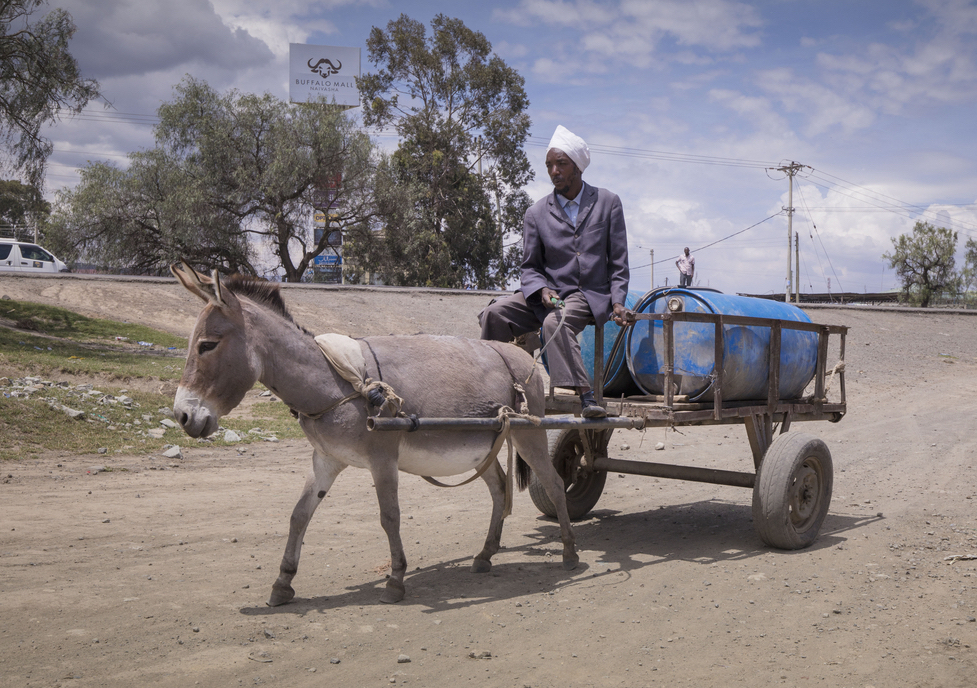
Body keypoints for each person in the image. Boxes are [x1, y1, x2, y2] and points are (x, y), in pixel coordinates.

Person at [479, 125, 630, 418]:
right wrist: (542, 289)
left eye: (561, 164)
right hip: (545, 295)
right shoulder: (535, 213)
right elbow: (530, 267)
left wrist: (617, 301)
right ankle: (488, 387)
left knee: (555, 322)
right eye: (549, 165)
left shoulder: (607, 202)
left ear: (578, 167)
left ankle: (586, 398)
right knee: (494, 314)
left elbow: (618, 262)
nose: (554, 171)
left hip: (586, 294)